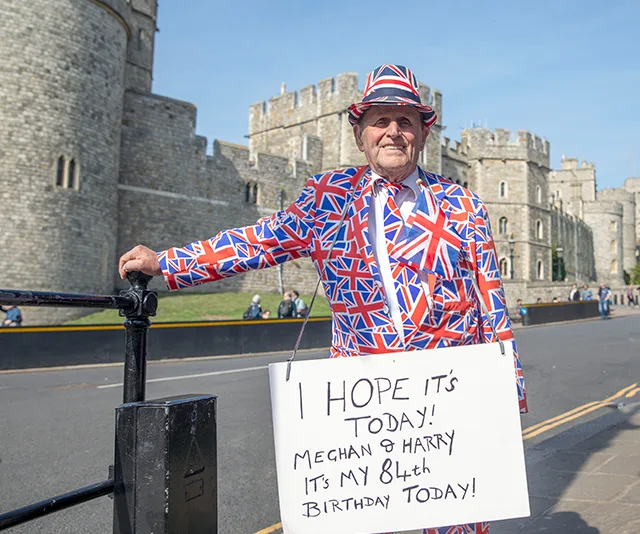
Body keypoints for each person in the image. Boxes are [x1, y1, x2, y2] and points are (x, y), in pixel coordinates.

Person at [118, 64, 526, 534]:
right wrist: (167, 263)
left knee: (458, 524)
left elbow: (491, 303)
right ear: (359, 134)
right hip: (364, 405)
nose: (393, 131)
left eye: (406, 121)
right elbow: (257, 242)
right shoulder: (328, 198)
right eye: (380, 120)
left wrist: (506, 392)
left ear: (423, 132)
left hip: (451, 402)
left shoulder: (463, 205)